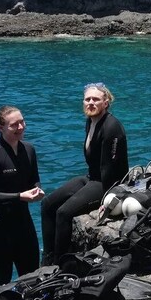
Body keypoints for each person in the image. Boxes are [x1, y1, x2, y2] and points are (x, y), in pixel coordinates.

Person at [41, 83, 129, 264]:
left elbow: (112, 170)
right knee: (47, 204)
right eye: (87, 99)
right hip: (92, 177)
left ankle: (60, 263)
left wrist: (110, 197)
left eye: (96, 99)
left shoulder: (112, 127)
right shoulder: (90, 121)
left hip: (107, 184)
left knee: (64, 213)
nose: (91, 103)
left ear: (106, 102)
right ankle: (47, 259)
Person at [0, 106, 45, 286]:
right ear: (1, 128)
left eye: (22, 122)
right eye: (15, 125)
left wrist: (37, 190)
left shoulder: (28, 150)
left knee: (32, 278)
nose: (21, 127)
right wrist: (19, 196)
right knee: (1, 283)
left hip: (24, 224)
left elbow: (33, 179)